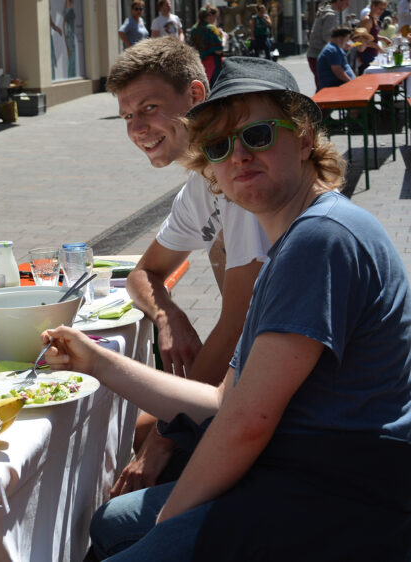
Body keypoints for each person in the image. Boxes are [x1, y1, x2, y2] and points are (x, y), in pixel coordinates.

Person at [60, 56, 411, 561]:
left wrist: (164, 528)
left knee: (128, 538)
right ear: (212, 172)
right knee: (111, 522)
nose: (239, 156)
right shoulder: (294, 238)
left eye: (259, 135)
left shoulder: (320, 240)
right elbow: (226, 402)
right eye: (220, 147)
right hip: (310, 470)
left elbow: (245, 424)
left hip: (341, 491)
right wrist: (96, 360)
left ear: (306, 137)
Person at [105, 37, 268, 497]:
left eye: (150, 107)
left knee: (133, 440)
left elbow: (238, 324)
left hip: (294, 398)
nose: (138, 128)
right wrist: (167, 316)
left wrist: (162, 441)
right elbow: (143, 273)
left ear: (196, 96)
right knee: (124, 432)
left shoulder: (240, 176)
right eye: (127, 117)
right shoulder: (202, 181)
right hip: (252, 372)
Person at [306, 0, 351, 90]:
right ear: (339, 1)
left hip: (315, 52)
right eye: (346, 3)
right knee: (324, 87)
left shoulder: (327, 11)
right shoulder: (330, 15)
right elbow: (327, 36)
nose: (347, 6)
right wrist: (341, 45)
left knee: (322, 85)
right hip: (318, 53)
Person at [188, 5, 224, 83]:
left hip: (198, 65)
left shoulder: (194, 29)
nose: (216, 20)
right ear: (210, 16)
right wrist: (224, 37)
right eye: (216, 17)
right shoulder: (211, 28)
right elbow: (219, 50)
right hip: (212, 65)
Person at [357, 0, 392, 74]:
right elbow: (362, 40)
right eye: (380, 8)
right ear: (373, 5)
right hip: (366, 55)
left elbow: (371, 35)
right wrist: (378, 47)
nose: (382, 11)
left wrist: (383, 38)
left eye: (384, 9)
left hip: (372, 54)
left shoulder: (374, 18)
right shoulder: (367, 20)